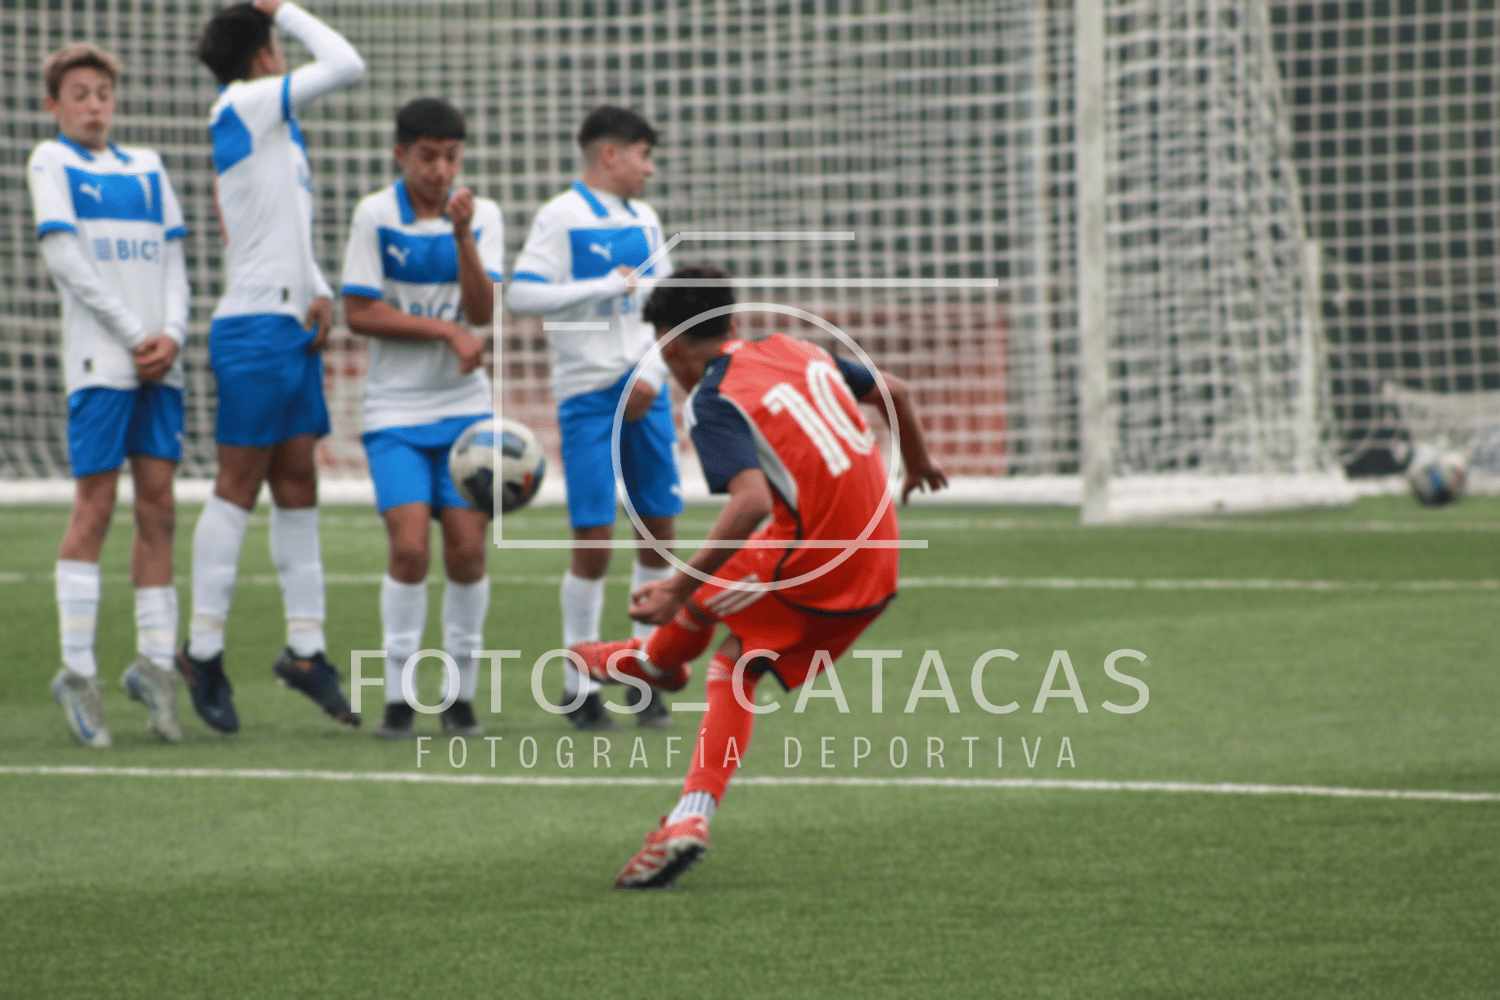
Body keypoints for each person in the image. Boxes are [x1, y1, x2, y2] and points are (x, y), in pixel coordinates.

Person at [572, 265, 949, 889]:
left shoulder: (713, 399)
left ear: (672, 345)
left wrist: (674, 588)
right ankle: (662, 683)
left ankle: (658, 673)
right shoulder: (797, 348)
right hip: (880, 553)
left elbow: (748, 502)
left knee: (722, 641)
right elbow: (897, 392)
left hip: (815, 560)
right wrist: (920, 461)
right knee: (734, 631)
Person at [178, 0, 364, 733]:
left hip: (288, 326)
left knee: (296, 480)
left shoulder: (267, 124)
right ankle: (201, 649)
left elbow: (278, 228)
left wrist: (317, 287)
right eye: (276, 44)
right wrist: (283, 8)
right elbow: (347, 63)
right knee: (238, 485)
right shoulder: (246, 102)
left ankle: (306, 650)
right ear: (263, 53)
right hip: (253, 329)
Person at [28, 43, 191, 748]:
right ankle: (78, 672)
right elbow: (65, 258)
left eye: (102, 93)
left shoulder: (147, 166)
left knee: (159, 508)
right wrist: (134, 333)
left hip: (161, 362)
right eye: (79, 94)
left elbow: (176, 259)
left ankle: (155, 667)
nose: (94, 106)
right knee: (94, 507)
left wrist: (173, 334)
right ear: (54, 105)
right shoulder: (50, 161)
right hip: (102, 360)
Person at [507, 106, 681, 731]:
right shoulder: (561, 216)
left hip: (646, 390)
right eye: (643, 155)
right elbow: (522, 294)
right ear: (610, 154)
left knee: (658, 533)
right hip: (586, 396)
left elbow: (667, 307)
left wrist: (654, 374)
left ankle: (643, 672)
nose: (649, 169)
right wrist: (601, 287)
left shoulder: (646, 220)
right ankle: (578, 682)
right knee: (594, 542)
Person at [339, 98, 503, 740]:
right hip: (395, 412)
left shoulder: (482, 215)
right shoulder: (375, 214)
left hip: (465, 411)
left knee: (467, 551)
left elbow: (482, 312)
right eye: (428, 156)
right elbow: (360, 312)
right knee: (408, 550)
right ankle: (398, 698)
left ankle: (459, 698)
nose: (440, 170)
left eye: (451, 157)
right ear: (400, 154)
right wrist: (444, 331)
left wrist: (463, 238)